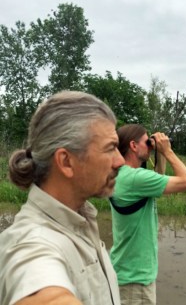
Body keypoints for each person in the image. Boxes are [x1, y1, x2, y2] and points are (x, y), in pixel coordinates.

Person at [0, 91, 124, 305]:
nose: (120, 161)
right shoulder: (32, 243)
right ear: (66, 162)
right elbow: (44, 293)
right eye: (110, 148)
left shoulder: (81, 218)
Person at [110, 124, 186, 305]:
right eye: (146, 142)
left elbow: (159, 180)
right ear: (133, 146)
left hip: (125, 270)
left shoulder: (122, 175)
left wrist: (159, 153)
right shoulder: (136, 178)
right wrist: (168, 151)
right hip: (136, 279)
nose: (149, 146)